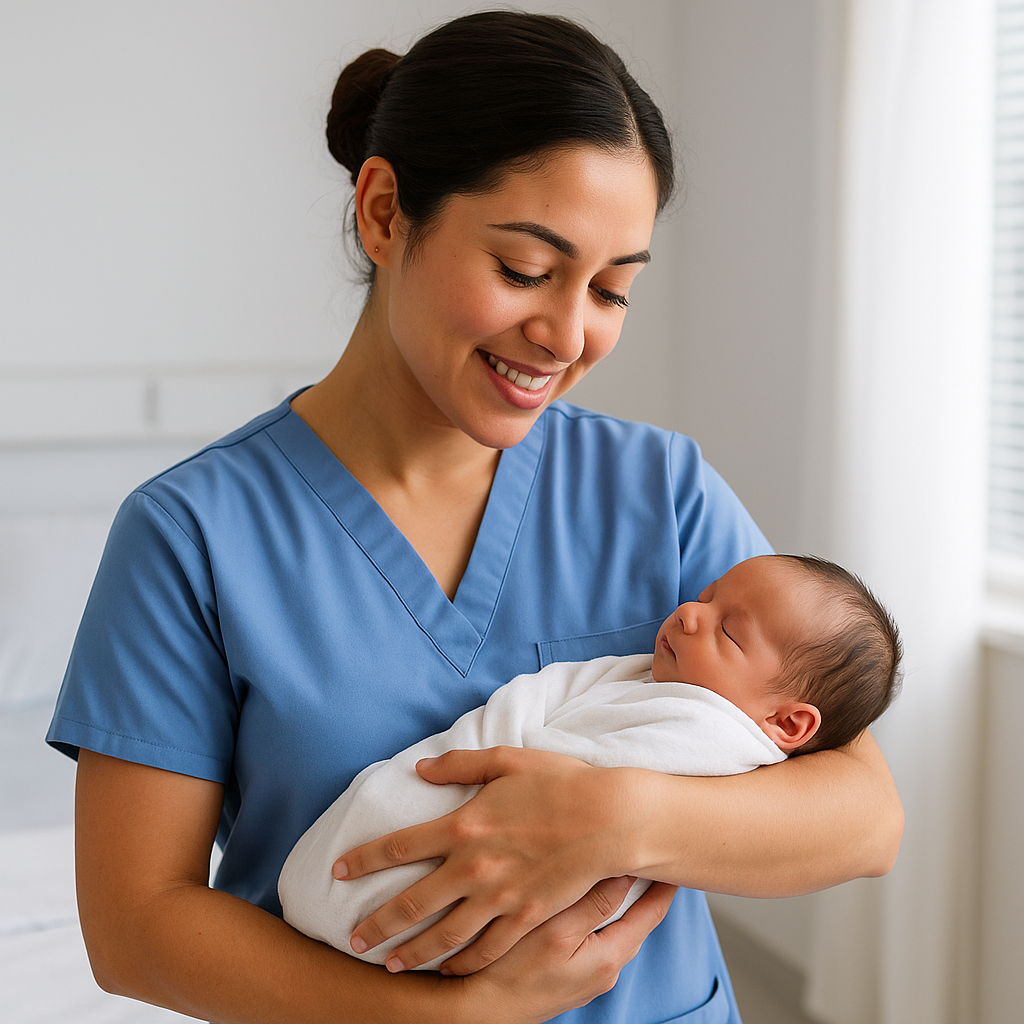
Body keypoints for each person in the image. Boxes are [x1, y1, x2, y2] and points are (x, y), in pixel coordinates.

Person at [46, 12, 903, 1024]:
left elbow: (861, 818)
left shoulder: (655, 487)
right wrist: (448, 1019)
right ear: (382, 213)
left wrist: (606, 814)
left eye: (612, 290)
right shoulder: (192, 536)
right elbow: (136, 926)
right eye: (525, 272)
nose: (567, 333)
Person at [279, 553, 902, 972]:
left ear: (787, 724)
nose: (689, 612)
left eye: (727, 632)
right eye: (707, 596)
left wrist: (614, 814)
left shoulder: (711, 731)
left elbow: (874, 829)